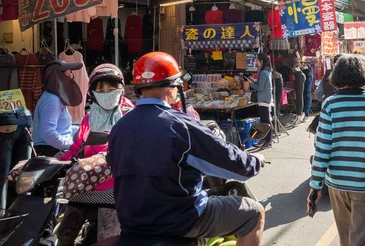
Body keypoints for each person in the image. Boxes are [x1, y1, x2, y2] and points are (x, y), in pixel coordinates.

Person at [107, 52, 265, 245]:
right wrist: (256, 162)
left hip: (132, 223)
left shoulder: (120, 127)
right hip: (179, 220)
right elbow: (237, 166)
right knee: (254, 213)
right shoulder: (181, 126)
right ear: (173, 86)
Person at [308, 55, 365, 246]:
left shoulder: (330, 104)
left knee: (345, 239)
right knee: (361, 239)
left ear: (338, 75)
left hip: (337, 183)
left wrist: (316, 185)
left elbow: (322, 149)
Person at [56, 64, 134, 246]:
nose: (106, 93)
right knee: (65, 234)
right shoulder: (88, 118)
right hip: (85, 185)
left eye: (112, 88)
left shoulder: (131, 115)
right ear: (93, 92)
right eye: (101, 89)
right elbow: (77, 146)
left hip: (114, 189)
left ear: (121, 89)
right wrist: (59, 161)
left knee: (107, 239)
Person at [32, 60, 83, 157]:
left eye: (71, 73)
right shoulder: (52, 100)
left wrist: (79, 130)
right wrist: (72, 145)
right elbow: (48, 133)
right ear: (56, 78)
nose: (71, 77)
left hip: (54, 148)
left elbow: (61, 128)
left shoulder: (55, 97)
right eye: (67, 74)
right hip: (50, 152)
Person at [248, 53, 273, 149]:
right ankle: (265, 139)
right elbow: (261, 84)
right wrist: (254, 81)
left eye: (257, 61)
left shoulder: (263, 72)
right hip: (265, 99)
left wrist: (251, 84)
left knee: (266, 121)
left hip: (264, 99)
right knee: (264, 120)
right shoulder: (266, 71)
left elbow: (260, 87)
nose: (256, 63)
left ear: (261, 61)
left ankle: (268, 141)